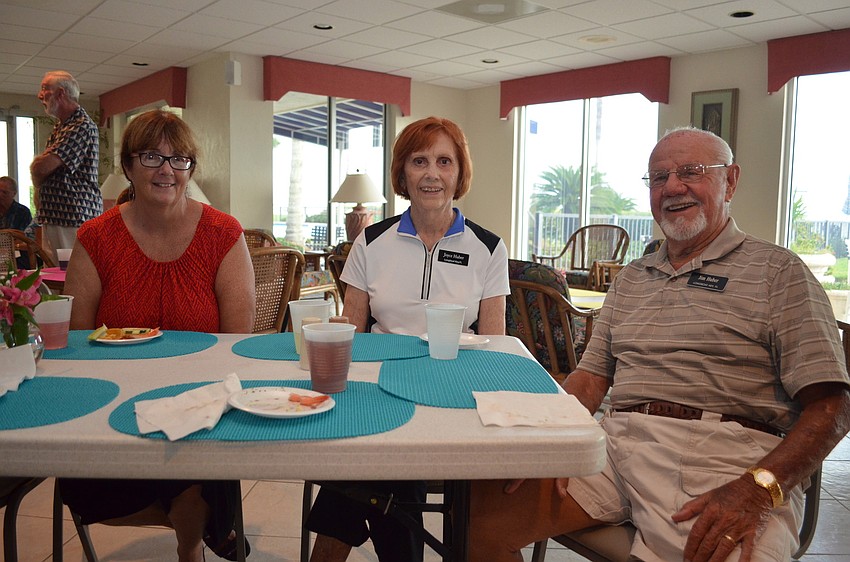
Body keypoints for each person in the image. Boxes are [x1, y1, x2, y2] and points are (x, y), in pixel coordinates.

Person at [469, 127, 850, 562]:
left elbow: (833, 407)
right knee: (478, 515)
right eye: (659, 177)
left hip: (723, 460)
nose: (672, 187)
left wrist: (759, 488)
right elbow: (590, 378)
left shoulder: (778, 272)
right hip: (614, 448)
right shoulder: (632, 277)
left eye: (691, 171)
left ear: (731, 181)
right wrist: (554, 440)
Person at [306, 116, 510, 562]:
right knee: (380, 460)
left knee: (360, 469)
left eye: (444, 161)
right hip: (377, 389)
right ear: (402, 172)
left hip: (450, 395)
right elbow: (351, 331)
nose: (432, 174)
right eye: (419, 161)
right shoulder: (370, 241)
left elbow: (495, 347)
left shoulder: (489, 248)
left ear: (460, 172)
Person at [60, 109, 255, 562]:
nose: (166, 169)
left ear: (190, 168)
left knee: (197, 463)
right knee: (82, 483)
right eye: (151, 156)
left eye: (179, 159)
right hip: (114, 398)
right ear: (128, 166)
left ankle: (190, 540)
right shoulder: (96, 237)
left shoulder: (223, 233)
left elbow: (237, 342)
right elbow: (76, 342)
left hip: (200, 398)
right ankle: (202, 525)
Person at [30, 70, 102, 260]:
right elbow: (41, 169)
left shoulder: (81, 125)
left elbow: (41, 168)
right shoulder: (62, 127)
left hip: (71, 216)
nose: (40, 95)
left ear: (61, 93)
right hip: (57, 216)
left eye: (45, 89)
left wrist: (38, 167)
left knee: (69, 273)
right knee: (55, 273)